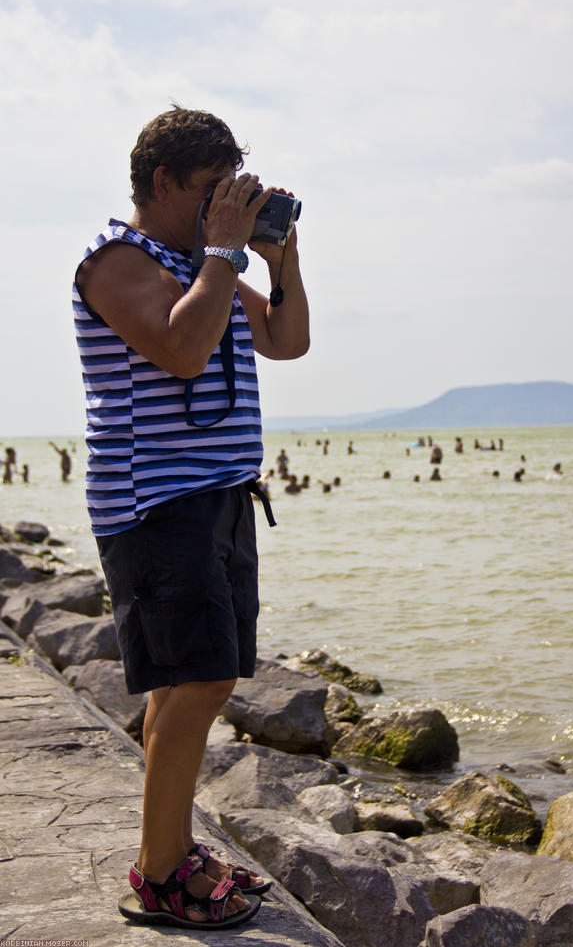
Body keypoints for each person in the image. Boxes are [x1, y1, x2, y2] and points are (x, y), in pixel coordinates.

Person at [73, 106, 309, 930]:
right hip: (154, 502)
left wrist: (280, 259)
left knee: (193, 679)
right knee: (201, 676)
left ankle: (169, 849)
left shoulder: (200, 263)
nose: (226, 208)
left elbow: (285, 340)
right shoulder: (116, 262)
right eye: (213, 191)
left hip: (219, 498)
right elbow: (178, 349)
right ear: (164, 182)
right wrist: (220, 252)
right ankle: (160, 872)